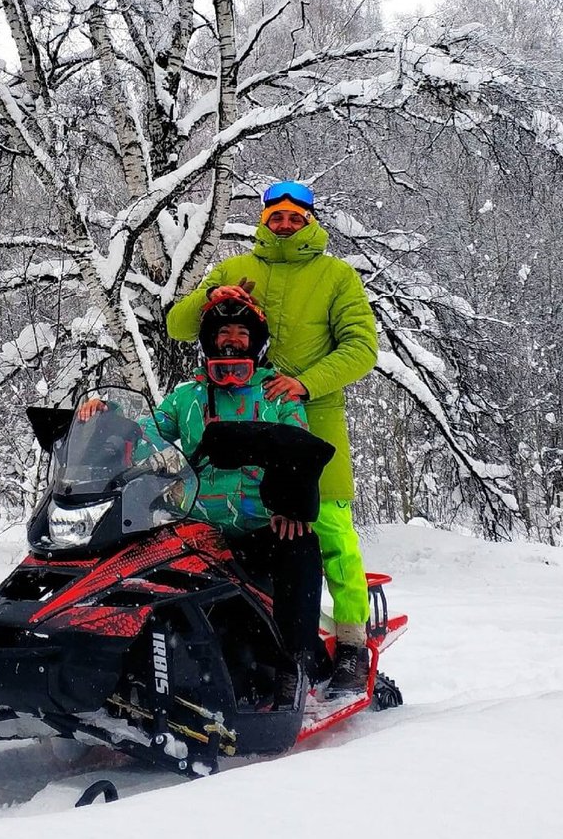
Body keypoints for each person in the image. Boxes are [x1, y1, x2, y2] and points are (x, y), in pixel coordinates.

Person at [166, 179, 377, 697]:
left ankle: (350, 646)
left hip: (311, 419)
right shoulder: (238, 269)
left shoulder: (336, 275)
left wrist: (307, 383)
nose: (284, 223)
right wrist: (211, 295)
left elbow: (362, 347)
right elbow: (177, 324)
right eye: (275, 215)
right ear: (263, 219)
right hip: (229, 406)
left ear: (310, 219)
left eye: (294, 216)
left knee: (327, 533)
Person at [79, 297, 323, 709]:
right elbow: (148, 434)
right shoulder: (187, 397)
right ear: (210, 341)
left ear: (255, 342)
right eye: (223, 333)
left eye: (241, 334)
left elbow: (298, 446)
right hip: (197, 529)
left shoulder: (277, 394)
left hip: (261, 527)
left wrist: (290, 504)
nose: (232, 341)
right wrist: (107, 414)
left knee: (300, 546)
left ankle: (291, 666)